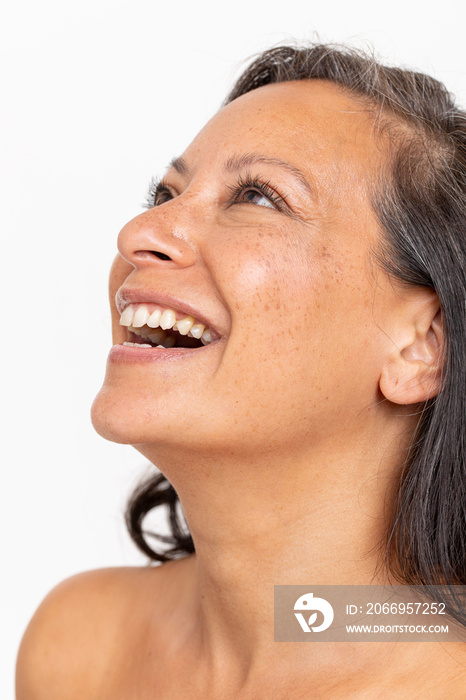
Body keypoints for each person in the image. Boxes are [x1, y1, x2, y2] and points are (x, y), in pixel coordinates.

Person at [16, 43, 466, 698]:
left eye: (258, 196)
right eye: (164, 192)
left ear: (418, 346)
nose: (142, 230)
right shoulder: (78, 646)